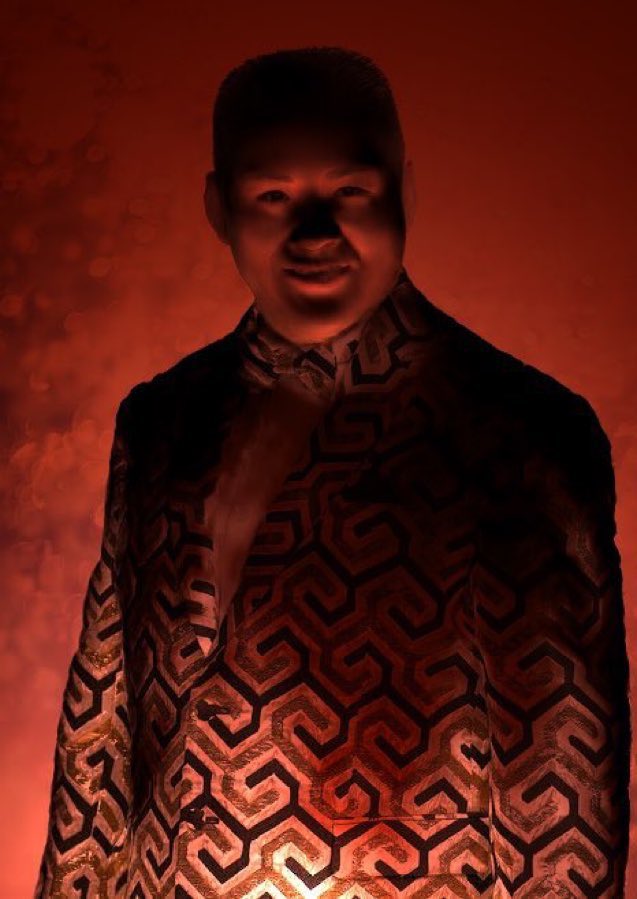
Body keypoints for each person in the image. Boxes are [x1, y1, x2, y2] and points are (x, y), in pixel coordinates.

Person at [35, 46, 630, 898]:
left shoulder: (518, 434)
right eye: (272, 196)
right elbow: (102, 724)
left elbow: (561, 789)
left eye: (349, 191)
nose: (314, 233)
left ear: (404, 193)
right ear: (217, 208)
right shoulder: (160, 421)